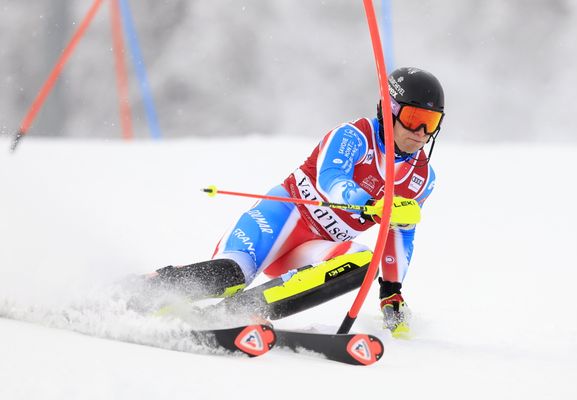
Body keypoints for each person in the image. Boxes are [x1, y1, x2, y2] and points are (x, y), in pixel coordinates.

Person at [150, 67, 445, 337]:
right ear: (388, 109)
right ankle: (146, 290)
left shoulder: (422, 177)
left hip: (315, 246)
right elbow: (332, 179)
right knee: (232, 273)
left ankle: (232, 314)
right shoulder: (353, 136)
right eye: (412, 119)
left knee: (361, 261)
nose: (420, 133)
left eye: (430, 123)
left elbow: (400, 232)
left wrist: (391, 291)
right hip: (282, 218)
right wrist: (371, 203)